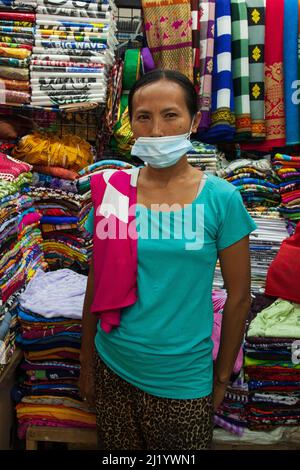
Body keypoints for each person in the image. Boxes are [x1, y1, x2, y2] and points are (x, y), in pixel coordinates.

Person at [79, 69, 257, 450]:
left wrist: (222, 377)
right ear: (131, 124)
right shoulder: (113, 191)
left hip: (183, 379)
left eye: (170, 115)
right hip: (114, 366)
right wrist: (87, 364)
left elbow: (239, 297)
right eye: (144, 116)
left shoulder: (221, 199)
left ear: (193, 121)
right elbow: (96, 281)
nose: (157, 130)